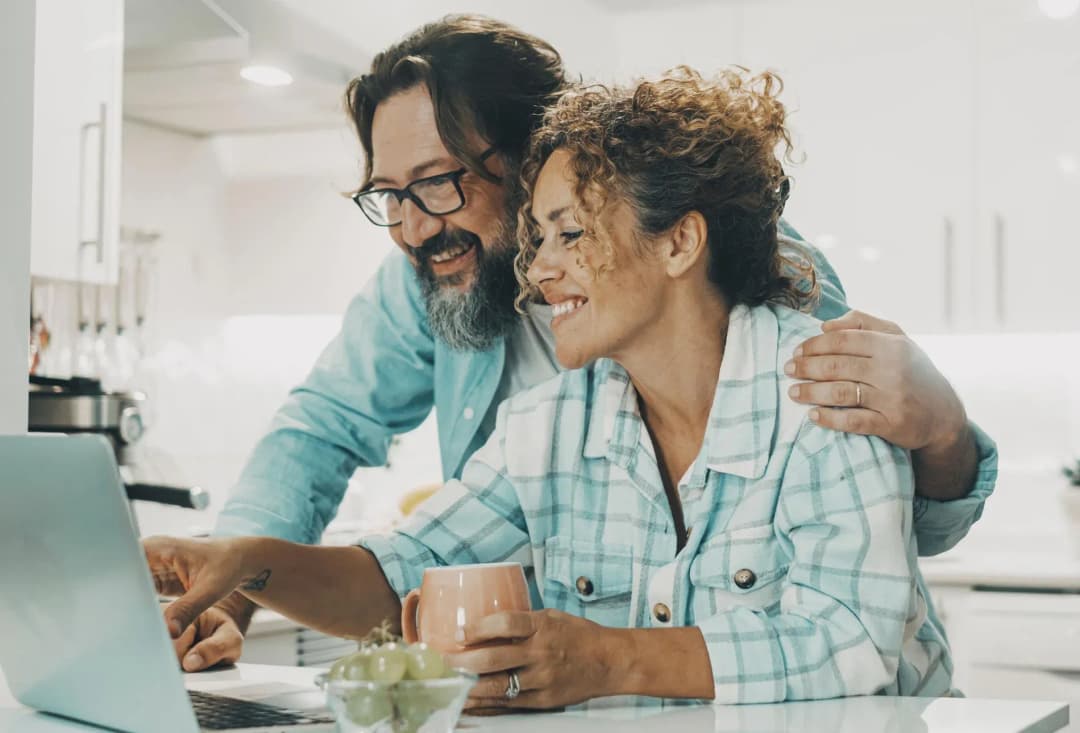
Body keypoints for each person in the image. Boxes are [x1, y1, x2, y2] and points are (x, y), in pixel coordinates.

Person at [168, 15, 996, 673]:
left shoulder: (789, 325)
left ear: (539, 159)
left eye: (437, 181)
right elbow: (342, 461)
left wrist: (945, 435)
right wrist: (235, 570)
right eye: (390, 193)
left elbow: (862, 579)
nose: (413, 225)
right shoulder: (541, 403)